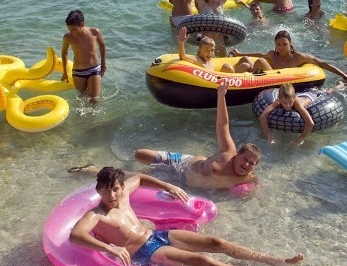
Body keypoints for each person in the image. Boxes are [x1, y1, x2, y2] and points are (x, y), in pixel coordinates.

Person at [69, 166, 301, 266]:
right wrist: (109, 248)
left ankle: (273, 260)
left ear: (121, 187)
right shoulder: (97, 215)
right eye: (106, 190)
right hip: (145, 251)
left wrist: (168, 186)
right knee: (204, 261)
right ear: (98, 190)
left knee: (216, 242)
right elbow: (76, 235)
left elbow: (138, 177)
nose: (112, 195)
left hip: (157, 235)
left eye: (115, 189)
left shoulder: (124, 194)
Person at [72, 80, 263, 192]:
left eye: (251, 163)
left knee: (138, 178)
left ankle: (93, 170)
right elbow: (223, 124)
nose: (247, 164)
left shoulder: (248, 178)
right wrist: (221, 96)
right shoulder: (228, 152)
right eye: (245, 159)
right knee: (140, 154)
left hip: (182, 183)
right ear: (237, 155)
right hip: (182, 163)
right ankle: (123, 156)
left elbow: (255, 186)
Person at [230, 30, 347, 83]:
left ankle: (235, 79)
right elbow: (260, 54)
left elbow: (321, 63)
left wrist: (343, 75)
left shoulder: (298, 57)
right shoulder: (272, 54)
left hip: (276, 82)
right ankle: (230, 81)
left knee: (260, 61)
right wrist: (240, 54)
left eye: (284, 44)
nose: (281, 47)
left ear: (290, 43)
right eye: (278, 45)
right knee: (245, 60)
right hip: (261, 78)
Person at [61, 9, 106, 101]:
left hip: (94, 69)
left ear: (82, 24)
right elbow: (64, 52)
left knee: (94, 99)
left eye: (74, 29)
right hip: (78, 72)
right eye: (69, 29)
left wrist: (103, 64)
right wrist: (65, 73)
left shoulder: (94, 32)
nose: (71, 32)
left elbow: (102, 46)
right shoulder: (68, 37)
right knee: (81, 99)